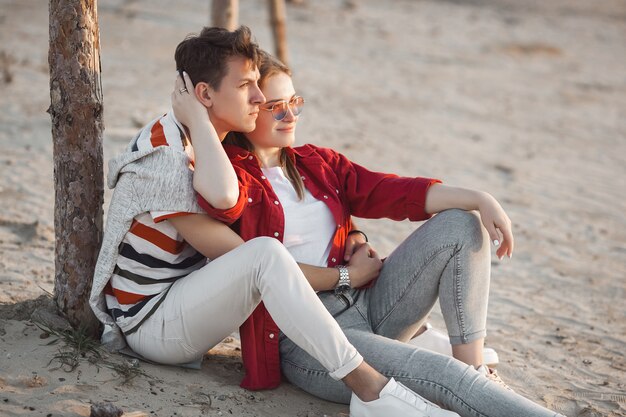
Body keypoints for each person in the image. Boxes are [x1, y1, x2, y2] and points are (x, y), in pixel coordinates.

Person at [89, 26, 463, 417]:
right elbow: (234, 225)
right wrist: (347, 278)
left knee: (265, 252)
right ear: (204, 95)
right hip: (152, 323)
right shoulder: (167, 155)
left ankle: (403, 357)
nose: (259, 97)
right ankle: (368, 387)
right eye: (246, 85)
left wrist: (352, 231)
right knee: (264, 253)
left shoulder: (202, 140)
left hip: (187, 301)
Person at [176, 49, 567, 417]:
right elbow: (263, 263)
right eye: (275, 107)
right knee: (444, 376)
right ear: (250, 109)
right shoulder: (233, 178)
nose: (289, 115)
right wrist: (348, 275)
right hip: (309, 343)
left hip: (371, 304)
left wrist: (479, 198)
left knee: (460, 223)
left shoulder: (318, 163)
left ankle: (475, 366)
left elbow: (391, 191)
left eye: (294, 103)